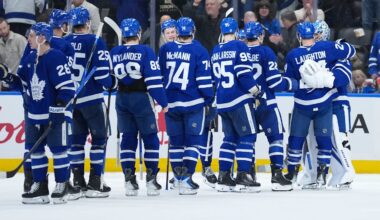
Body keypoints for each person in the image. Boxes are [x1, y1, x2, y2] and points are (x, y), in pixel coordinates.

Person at [284, 22, 356, 188]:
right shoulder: (328, 49)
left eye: (319, 34)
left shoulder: (331, 50)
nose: (316, 38)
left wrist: (327, 79)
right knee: (313, 141)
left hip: (337, 101)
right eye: (315, 35)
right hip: (322, 101)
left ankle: (346, 172)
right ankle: (312, 174)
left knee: (339, 138)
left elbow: (342, 78)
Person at [16, 22, 76, 204]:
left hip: (54, 114)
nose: (29, 39)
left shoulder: (56, 57)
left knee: (59, 150)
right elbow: (22, 84)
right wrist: (7, 77)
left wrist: (59, 106)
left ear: (42, 37)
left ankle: (62, 184)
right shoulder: (29, 59)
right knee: (36, 152)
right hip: (35, 115)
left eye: (32, 36)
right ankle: (40, 186)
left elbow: (67, 88)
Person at [110, 18, 168, 196]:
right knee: (150, 137)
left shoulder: (114, 52)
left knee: (128, 138)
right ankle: (151, 181)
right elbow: (153, 81)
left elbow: (110, 82)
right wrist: (163, 102)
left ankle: (129, 181)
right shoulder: (145, 51)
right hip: (141, 99)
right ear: (138, 33)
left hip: (121, 99)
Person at [159, 17, 214, 195]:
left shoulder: (165, 49)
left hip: (171, 104)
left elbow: (159, 77)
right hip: (192, 103)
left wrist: (161, 99)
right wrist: (209, 99)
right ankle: (186, 178)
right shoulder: (199, 50)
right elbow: (204, 82)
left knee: (175, 143)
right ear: (193, 31)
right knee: (192, 142)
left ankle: (177, 177)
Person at [65, 6, 116, 198]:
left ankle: (78, 180)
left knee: (76, 141)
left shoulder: (65, 42)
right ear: (87, 23)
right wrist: (112, 82)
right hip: (92, 99)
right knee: (99, 139)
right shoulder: (96, 42)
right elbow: (103, 75)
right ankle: (95, 180)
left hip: (72, 100)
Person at [210, 17, 261, 193]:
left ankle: (224, 176)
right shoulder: (240, 46)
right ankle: (243, 174)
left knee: (229, 139)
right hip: (239, 99)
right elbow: (244, 74)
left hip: (222, 101)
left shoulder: (216, 50)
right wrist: (256, 91)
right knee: (248, 136)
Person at [244, 21, 294, 191]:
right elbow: (274, 82)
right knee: (276, 138)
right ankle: (277, 176)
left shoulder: (240, 52)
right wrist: (292, 84)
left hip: (246, 104)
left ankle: (248, 175)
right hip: (266, 102)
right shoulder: (266, 51)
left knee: (247, 141)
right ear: (260, 36)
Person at [0, 18, 27, 90]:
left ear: (8, 26)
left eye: (4, 28)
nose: (2, 31)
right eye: (0, 29)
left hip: (19, 82)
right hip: (4, 83)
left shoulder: (20, 39)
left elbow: (26, 59)